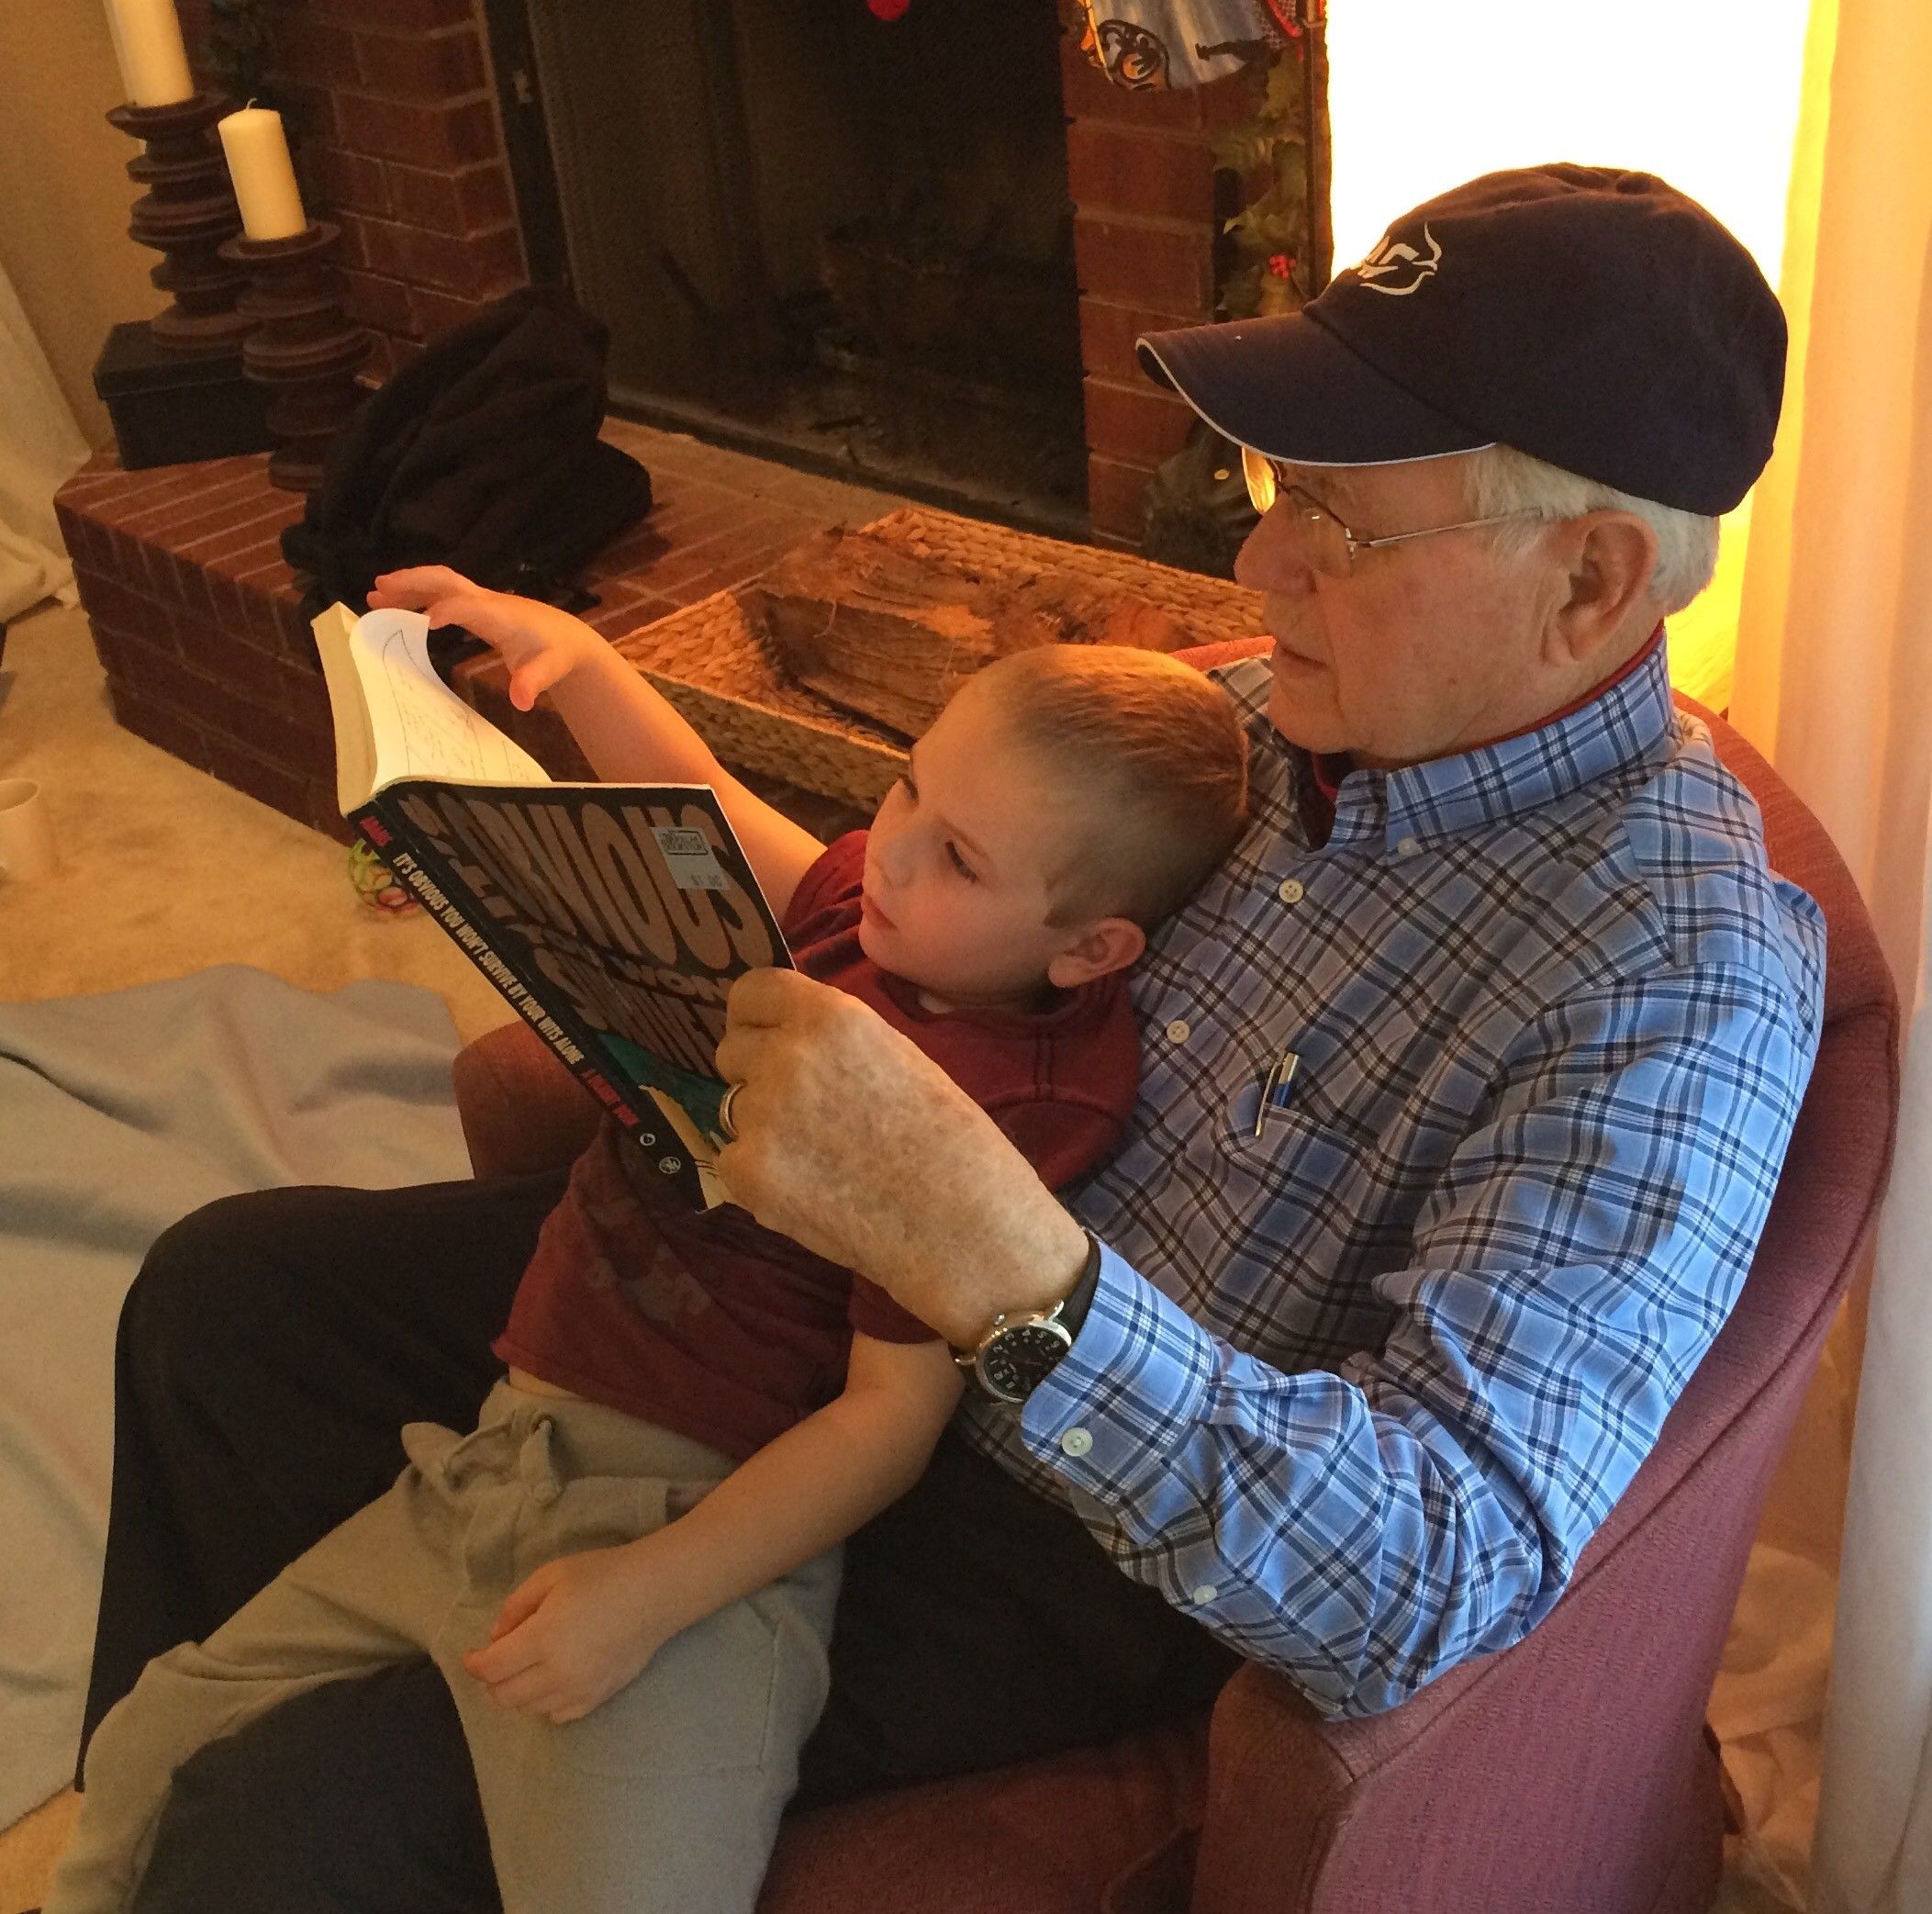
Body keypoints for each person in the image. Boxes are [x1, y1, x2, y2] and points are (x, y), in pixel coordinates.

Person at [76, 162, 1826, 1910]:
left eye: (1340, 523)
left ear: (1587, 580)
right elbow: (888, 903)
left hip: (1055, 1528)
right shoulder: (1234, 723)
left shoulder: (1680, 976)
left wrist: (992, 1256)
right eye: (1275, 486)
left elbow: (1443, 1573)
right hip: (801, 1296)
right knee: (232, 1297)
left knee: (299, 1806)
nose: (1255, 557)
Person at [50, 612, 1250, 1914]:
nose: (894, 849)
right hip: (501, 1459)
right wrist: (580, 667)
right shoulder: (872, 918)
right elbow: (707, 802)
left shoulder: (1004, 1108)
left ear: (1088, 950)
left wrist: (641, 1597)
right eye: (907, 782)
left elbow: (888, 1420)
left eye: (958, 856)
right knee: (151, 1741)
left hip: (682, 1524)